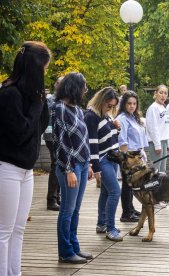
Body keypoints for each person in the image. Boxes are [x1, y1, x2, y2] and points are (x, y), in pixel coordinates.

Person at [0, 41, 51, 275]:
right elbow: (21, 133)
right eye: (45, 67)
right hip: (7, 168)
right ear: (35, 67)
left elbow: (40, 127)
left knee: (19, 228)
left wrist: (40, 101)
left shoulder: (33, 96)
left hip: (26, 170)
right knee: (4, 231)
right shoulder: (10, 94)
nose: (46, 72)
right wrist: (38, 105)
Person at [53, 72, 94, 264]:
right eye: (83, 86)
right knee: (67, 210)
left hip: (83, 164)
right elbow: (61, 143)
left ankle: (74, 246)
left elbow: (83, 139)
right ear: (74, 87)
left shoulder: (78, 110)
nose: (85, 90)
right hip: (69, 166)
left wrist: (90, 164)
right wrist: (69, 170)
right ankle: (65, 252)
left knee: (76, 209)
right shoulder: (59, 108)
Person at [85, 87, 123, 242]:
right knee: (115, 191)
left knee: (106, 193)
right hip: (103, 159)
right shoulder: (91, 116)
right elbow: (92, 143)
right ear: (101, 101)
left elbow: (109, 137)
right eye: (109, 105)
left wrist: (116, 128)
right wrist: (96, 167)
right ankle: (110, 228)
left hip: (112, 157)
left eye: (113, 106)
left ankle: (102, 223)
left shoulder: (104, 115)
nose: (110, 109)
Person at [116, 91, 148, 222]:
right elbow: (122, 142)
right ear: (124, 104)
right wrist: (129, 160)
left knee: (133, 185)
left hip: (138, 155)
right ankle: (126, 213)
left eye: (134, 103)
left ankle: (131, 208)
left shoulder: (134, 117)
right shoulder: (122, 119)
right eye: (129, 103)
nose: (132, 106)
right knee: (127, 184)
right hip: (128, 157)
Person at [44, 77, 64, 211]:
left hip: (60, 137)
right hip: (52, 137)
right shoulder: (51, 100)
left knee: (60, 165)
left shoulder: (63, 100)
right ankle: (51, 199)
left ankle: (57, 197)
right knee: (56, 164)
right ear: (57, 85)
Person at [146, 84, 169, 173]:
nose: (163, 95)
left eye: (165, 93)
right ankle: (152, 187)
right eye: (161, 93)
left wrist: (168, 143)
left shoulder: (163, 107)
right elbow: (153, 128)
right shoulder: (153, 108)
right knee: (156, 169)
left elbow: (166, 126)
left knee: (162, 170)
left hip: (163, 141)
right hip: (155, 142)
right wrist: (157, 145)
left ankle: (161, 187)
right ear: (155, 93)